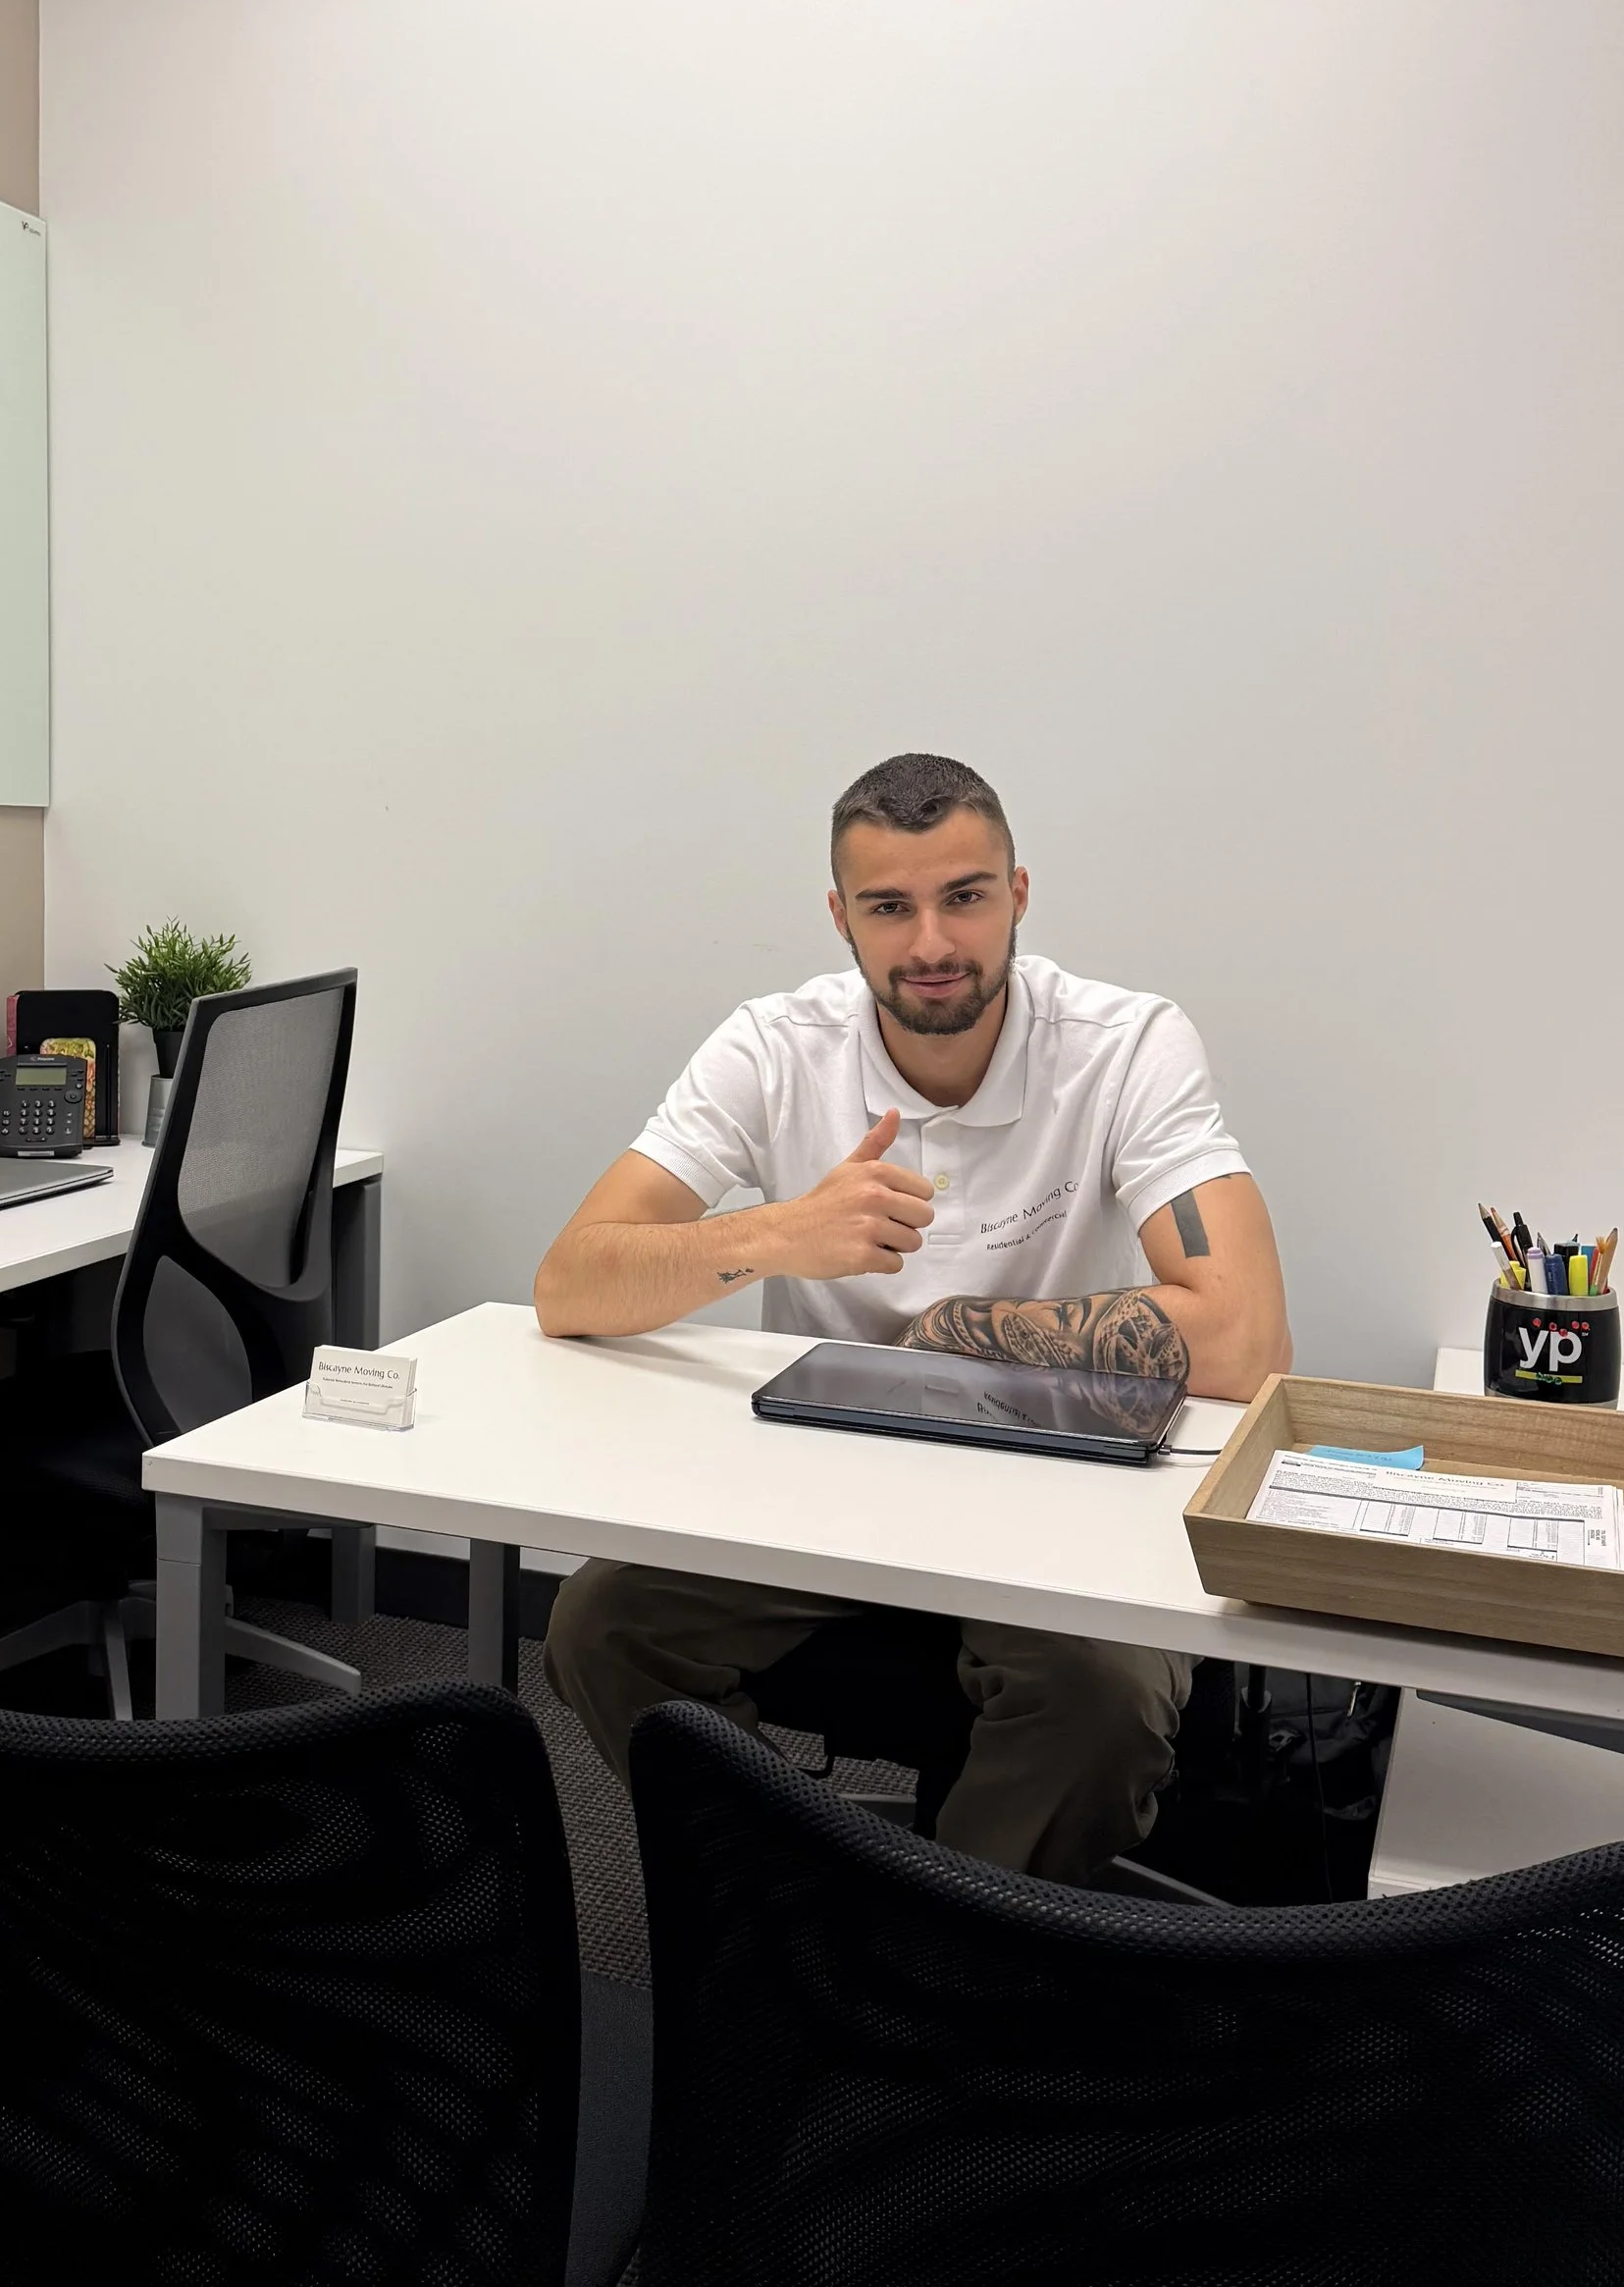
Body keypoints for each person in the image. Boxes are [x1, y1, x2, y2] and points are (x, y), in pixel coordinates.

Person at [536, 750, 1291, 1885]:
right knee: (599, 1628)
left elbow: (1244, 1340)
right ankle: (795, 1902)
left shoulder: (1124, 1046)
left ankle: (943, 1968)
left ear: (1018, 895)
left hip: (1065, 1485)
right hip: (837, 1481)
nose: (931, 944)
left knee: (1103, 1693)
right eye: (890, 907)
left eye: (965, 897)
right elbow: (571, 1284)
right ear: (841, 919)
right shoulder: (775, 1048)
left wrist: (948, 1336)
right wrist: (778, 1235)